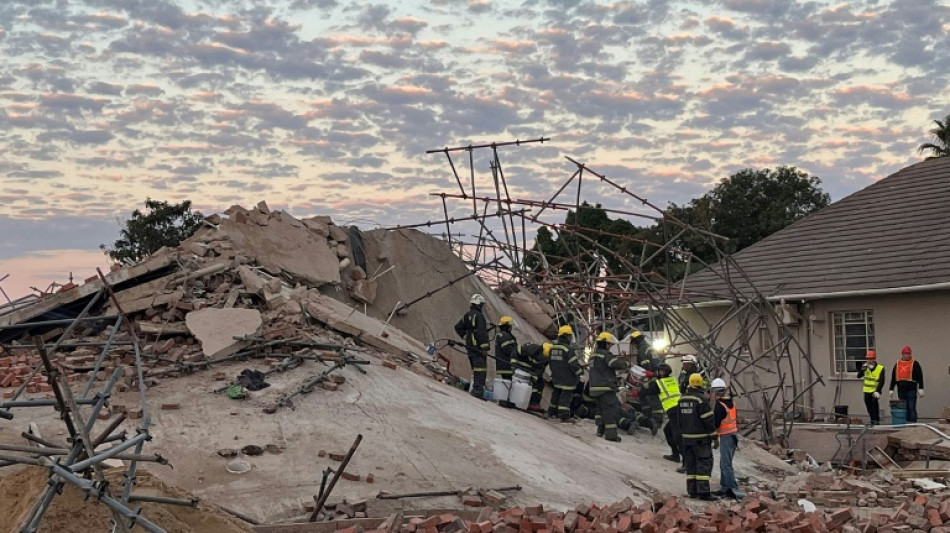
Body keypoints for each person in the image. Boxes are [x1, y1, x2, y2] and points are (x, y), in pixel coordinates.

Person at [677, 373, 718, 501]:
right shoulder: (701, 400)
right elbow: (708, 420)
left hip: (686, 439)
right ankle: (704, 492)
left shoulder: (682, 399)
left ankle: (692, 491)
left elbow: (679, 420)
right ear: (701, 384)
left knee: (691, 465)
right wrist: (714, 437)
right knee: (703, 464)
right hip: (701, 439)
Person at [588, 332, 630, 442]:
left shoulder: (593, 355)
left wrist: (617, 358)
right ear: (605, 344)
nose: (610, 347)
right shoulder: (606, 355)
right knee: (610, 411)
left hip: (594, 388)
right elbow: (612, 364)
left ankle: (600, 430)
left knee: (601, 410)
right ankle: (611, 435)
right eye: (610, 345)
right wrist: (625, 363)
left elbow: (602, 365)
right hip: (605, 387)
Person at [643, 363, 683, 468]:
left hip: (674, 411)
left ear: (662, 372)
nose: (657, 373)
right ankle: (675, 455)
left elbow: (648, 391)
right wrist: (652, 375)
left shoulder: (659, 383)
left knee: (678, 436)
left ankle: (687, 463)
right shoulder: (672, 379)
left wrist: (637, 390)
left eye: (658, 371)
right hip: (678, 409)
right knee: (668, 431)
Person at [711, 378, 743, 500]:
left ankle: (733, 489)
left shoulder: (720, 406)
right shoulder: (731, 402)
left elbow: (716, 423)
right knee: (725, 463)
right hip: (732, 436)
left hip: (726, 437)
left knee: (726, 465)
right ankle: (725, 488)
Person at [454, 293, 490, 399]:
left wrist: (466, 337)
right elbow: (481, 333)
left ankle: (476, 389)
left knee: (475, 369)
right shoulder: (479, 316)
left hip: (470, 346)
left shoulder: (467, 315)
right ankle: (477, 391)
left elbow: (458, 327)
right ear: (479, 304)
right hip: (477, 348)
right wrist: (484, 348)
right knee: (481, 369)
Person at [548, 325, 582, 422]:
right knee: (566, 396)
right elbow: (574, 365)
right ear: (567, 336)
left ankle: (552, 412)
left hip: (556, 376)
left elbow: (551, 362)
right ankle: (563, 415)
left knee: (556, 394)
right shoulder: (568, 350)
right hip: (567, 378)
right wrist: (580, 373)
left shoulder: (552, 348)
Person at [510, 342, 550, 412]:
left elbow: (540, 368)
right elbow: (516, 351)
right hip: (520, 366)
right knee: (526, 383)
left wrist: (535, 377)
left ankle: (534, 403)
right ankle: (529, 401)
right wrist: (513, 363)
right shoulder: (530, 348)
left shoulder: (547, 358)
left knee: (540, 383)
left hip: (531, 370)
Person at [889, 345, 924, 423]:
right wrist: (891, 389)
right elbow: (894, 377)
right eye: (906, 354)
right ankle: (905, 423)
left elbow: (920, 376)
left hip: (911, 390)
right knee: (903, 409)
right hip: (901, 390)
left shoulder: (914, 363)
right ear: (902, 354)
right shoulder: (898, 364)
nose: (908, 355)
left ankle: (912, 423)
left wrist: (921, 388)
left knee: (911, 407)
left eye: (909, 354)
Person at [856, 350, 885, 425]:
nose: (869, 361)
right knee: (868, 406)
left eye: (871, 359)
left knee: (874, 406)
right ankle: (872, 420)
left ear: (874, 359)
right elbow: (858, 376)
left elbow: (882, 381)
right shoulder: (865, 367)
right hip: (866, 391)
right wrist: (862, 370)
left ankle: (876, 420)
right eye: (868, 359)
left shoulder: (880, 368)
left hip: (874, 391)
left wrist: (878, 391)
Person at [494, 316, 517, 405]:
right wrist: (517, 353)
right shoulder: (505, 335)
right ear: (507, 326)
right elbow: (508, 349)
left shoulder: (501, 334)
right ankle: (506, 399)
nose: (511, 328)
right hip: (506, 364)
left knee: (507, 382)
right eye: (510, 326)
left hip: (503, 364)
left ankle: (505, 399)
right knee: (508, 382)